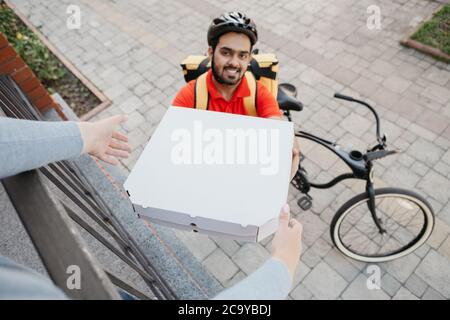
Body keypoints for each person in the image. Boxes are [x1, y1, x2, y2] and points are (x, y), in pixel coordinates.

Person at [173, 12, 301, 179]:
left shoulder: (258, 93)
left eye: (242, 55)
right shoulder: (190, 95)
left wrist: (287, 140)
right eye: (226, 53)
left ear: (249, 59)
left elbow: (276, 124)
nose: (234, 62)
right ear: (211, 53)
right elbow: (171, 141)